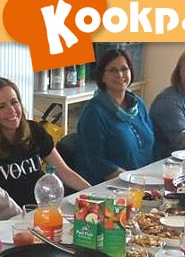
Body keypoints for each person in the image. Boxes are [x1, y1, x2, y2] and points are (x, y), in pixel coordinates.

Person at [0, 77, 90, 206]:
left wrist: (93, 194)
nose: (12, 110)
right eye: (1, 106)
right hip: (13, 215)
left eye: (14, 102)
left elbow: (64, 172)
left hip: (46, 207)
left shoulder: (34, 129)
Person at [75, 48, 154, 185]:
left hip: (143, 182)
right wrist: (133, 182)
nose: (120, 74)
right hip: (111, 187)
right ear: (102, 77)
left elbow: (152, 144)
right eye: (112, 70)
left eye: (124, 69)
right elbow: (97, 162)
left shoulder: (138, 104)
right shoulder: (93, 112)